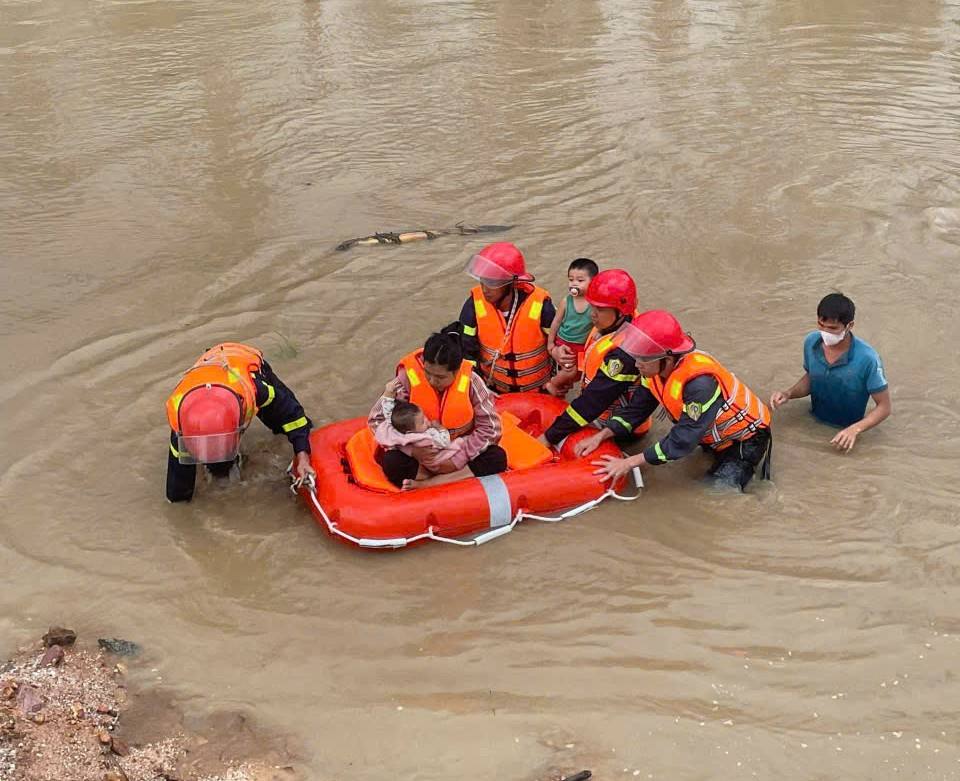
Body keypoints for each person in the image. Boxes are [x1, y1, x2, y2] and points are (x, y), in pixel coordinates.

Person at [584, 310, 772, 491]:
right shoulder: (653, 372)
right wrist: (602, 435)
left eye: (642, 357)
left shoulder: (699, 385)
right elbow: (636, 410)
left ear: (666, 358)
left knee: (715, 493)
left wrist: (629, 462)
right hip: (711, 435)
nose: (636, 363)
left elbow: (683, 439)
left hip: (745, 440)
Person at [165, 342, 314, 502]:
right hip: (208, 369)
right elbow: (177, 491)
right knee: (189, 487)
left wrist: (303, 458)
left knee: (294, 428)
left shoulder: (256, 390)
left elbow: (294, 417)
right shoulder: (179, 420)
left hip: (246, 362)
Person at [369, 329, 506, 488]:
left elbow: (490, 428)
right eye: (428, 373)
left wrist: (456, 460)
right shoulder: (406, 379)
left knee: (496, 457)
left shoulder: (472, 382)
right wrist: (412, 451)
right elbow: (376, 420)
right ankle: (424, 476)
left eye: (440, 377)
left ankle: (430, 484)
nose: (433, 381)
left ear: (455, 372)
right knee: (392, 461)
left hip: (458, 452)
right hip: (420, 457)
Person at [539, 269, 651, 449]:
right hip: (598, 412)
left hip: (620, 429)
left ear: (620, 312)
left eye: (599, 309)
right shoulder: (611, 324)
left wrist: (548, 437)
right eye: (591, 306)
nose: (592, 314)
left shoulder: (625, 354)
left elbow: (594, 400)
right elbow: (589, 358)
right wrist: (558, 352)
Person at [770, 293, 890, 452]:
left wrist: (855, 430)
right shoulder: (811, 342)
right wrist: (788, 393)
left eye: (833, 328)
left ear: (849, 325)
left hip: (846, 433)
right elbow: (811, 378)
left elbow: (884, 407)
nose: (826, 332)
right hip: (812, 421)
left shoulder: (868, 359)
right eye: (821, 325)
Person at [458, 242, 556, 393]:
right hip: (495, 391)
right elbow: (467, 350)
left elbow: (560, 345)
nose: (484, 289)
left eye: (492, 282)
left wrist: (558, 382)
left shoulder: (541, 306)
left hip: (540, 391)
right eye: (482, 280)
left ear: (511, 283)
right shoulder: (473, 305)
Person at [369, 381, 472, 490]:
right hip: (435, 464)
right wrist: (440, 429)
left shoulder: (394, 427)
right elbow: (444, 442)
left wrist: (388, 394)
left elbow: (388, 411)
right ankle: (427, 478)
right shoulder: (424, 437)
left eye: (424, 417)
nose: (427, 421)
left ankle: (429, 478)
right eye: (423, 422)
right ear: (410, 432)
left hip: (425, 460)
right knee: (392, 460)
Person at [544, 257, 599, 397]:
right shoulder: (566, 301)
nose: (574, 283)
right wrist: (551, 344)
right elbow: (555, 323)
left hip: (582, 346)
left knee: (576, 375)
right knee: (570, 370)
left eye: (580, 281)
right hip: (565, 343)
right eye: (571, 279)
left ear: (594, 282)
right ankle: (551, 384)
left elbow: (598, 325)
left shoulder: (594, 304)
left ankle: (561, 390)